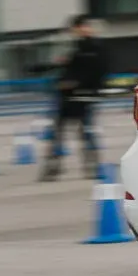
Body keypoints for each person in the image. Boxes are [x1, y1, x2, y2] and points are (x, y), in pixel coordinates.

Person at [39, 14, 106, 181]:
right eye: (78, 28)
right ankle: (53, 168)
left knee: (86, 132)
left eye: (83, 26)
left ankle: (92, 167)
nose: (80, 30)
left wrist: (77, 84)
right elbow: (65, 67)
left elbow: (97, 72)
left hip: (83, 96)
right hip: (66, 96)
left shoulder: (95, 48)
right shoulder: (74, 48)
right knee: (57, 133)